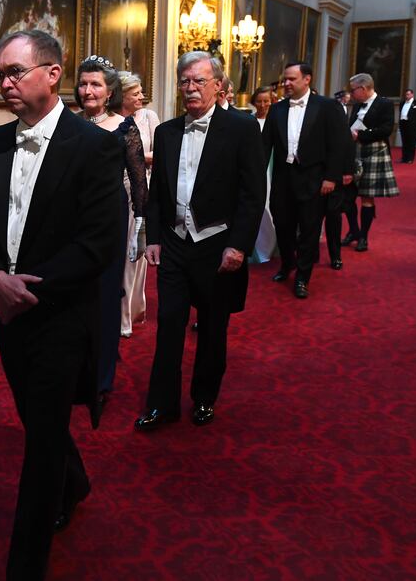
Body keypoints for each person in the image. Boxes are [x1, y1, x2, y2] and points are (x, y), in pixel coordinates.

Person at [0, 29, 123, 580]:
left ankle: (25, 561)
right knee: (36, 419)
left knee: (44, 437)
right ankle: (74, 483)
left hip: (60, 315)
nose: (4, 83)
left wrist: (24, 289)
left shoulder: (96, 145)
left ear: (53, 74)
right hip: (6, 312)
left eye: (15, 72)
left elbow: (98, 242)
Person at [134, 51, 265, 430]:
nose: (190, 88)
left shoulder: (241, 129)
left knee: (212, 327)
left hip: (217, 243)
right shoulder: (167, 132)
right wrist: (154, 238)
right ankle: (162, 405)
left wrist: (239, 244)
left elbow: (252, 195)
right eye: (185, 81)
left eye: (199, 81)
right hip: (174, 243)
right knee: (170, 326)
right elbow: (156, 193)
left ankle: (204, 397)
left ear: (219, 85)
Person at [76, 56, 147, 404]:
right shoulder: (68, 124)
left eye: (96, 84)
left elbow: (138, 181)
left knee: (104, 296)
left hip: (110, 220)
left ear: (109, 91)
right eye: (84, 83)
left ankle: (101, 377)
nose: (88, 90)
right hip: (72, 220)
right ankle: (77, 367)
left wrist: (143, 228)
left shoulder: (124, 127)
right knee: (75, 294)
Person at [262, 61, 349, 298]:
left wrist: (331, 177)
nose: (286, 84)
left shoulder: (327, 107)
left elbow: (337, 145)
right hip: (282, 179)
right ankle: (287, 263)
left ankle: (302, 277)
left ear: (307, 79)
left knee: (309, 230)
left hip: (313, 178)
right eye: (285, 80)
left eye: (291, 79)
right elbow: (265, 145)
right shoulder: (277, 109)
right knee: (283, 226)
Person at [119, 71, 159, 338]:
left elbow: (162, 151)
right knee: (120, 255)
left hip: (141, 189)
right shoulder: (110, 120)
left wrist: (137, 156)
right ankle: (120, 316)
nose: (142, 97)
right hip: (116, 190)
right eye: (136, 93)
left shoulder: (149, 117)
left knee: (136, 253)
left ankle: (133, 310)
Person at [345, 72, 399, 252]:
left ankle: (364, 237)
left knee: (367, 197)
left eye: (354, 90)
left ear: (364, 88)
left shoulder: (384, 104)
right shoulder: (357, 105)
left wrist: (360, 135)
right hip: (355, 152)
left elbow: (386, 129)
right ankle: (353, 230)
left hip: (374, 152)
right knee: (348, 195)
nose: (351, 94)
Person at [248, 86, 276, 263]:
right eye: (259, 101)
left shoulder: (276, 121)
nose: (263, 104)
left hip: (272, 170)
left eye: (266, 101)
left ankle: (272, 247)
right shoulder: (248, 121)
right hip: (253, 170)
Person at [398, 88, 416, 164]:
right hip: (404, 125)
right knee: (404, 142)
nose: (407, 96)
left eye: (408, 94)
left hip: (412, 126)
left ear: (412, 94)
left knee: (411, 143)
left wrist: (415, 121)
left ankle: (410, 159)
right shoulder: (402, 103)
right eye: (406, 94)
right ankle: (404, 158)